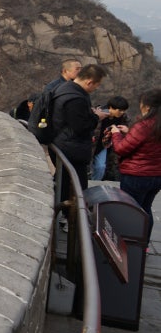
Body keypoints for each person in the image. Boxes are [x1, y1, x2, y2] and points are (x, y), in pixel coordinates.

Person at [49, 64, 108, 213]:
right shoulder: (75, 98)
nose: (96, 88)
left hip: (63, 144)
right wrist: (96, 117)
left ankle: (64, 217)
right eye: (97, 85)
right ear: (89, 82)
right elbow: (80, 126)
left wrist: (89, 113)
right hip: (71, 148)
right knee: (76, 188)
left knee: (63, 184)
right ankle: (71, 221)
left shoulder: (65, 88)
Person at [109, 88, 161, 235]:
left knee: (130, 211)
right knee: (145, 209)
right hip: (157, 176)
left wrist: (116, 134)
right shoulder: (155, 124)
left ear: (148, 106)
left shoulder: (143, 125)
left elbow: (120, 149)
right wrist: (129, 132)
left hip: (136, 175)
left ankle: (128, 245)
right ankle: (142, 245)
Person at [91, 95, 129, 181]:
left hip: (105, 145)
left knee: (100, 167)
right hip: (92, 144)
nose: (122, 112)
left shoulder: (123, 117)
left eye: (124, 110)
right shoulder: (98, 114)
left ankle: (95, 183)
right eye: (120, 110)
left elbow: (129, 130)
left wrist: (125, 130)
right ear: (111, 107)